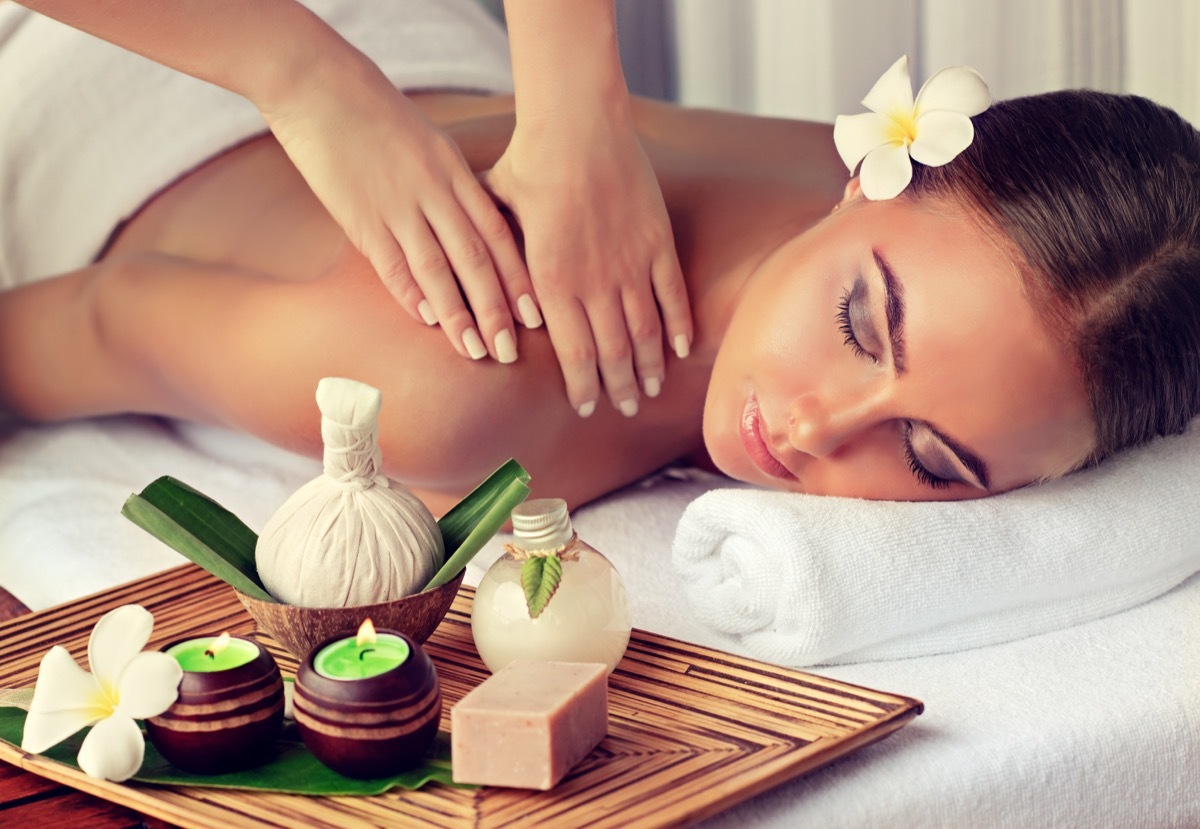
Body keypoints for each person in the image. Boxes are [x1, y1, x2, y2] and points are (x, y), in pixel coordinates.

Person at [1, 5, 1198, 515]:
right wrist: (302, 73)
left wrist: (574, 94)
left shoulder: (910, 214)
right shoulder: (458, 375)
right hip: (85, 69)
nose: (818, 429)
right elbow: (57, 334)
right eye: (858, 322)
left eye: (932, 462)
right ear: (872, 177)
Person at [8, 0, 692, 421]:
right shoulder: (429, 383)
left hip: (412, 30)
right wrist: (296, 71)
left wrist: (574, 105)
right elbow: (102, 319)